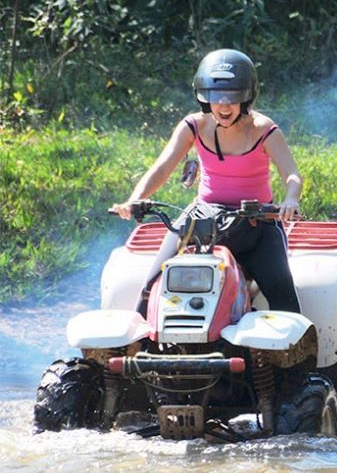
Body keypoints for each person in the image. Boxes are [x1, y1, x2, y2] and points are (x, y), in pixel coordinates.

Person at [112, 48, 303, 313]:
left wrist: (290, 199)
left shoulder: (263, 129)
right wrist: (135, 200)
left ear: (247, 97)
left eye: (233, 97)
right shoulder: (194, 125)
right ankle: (141, 347)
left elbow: (291, 174)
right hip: (202, 219)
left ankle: (300, 354)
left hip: (258, 222)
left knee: (283, 295)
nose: (224, 105)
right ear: (204, 98)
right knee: (152, 284)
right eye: (216, 97)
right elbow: (163, 167)